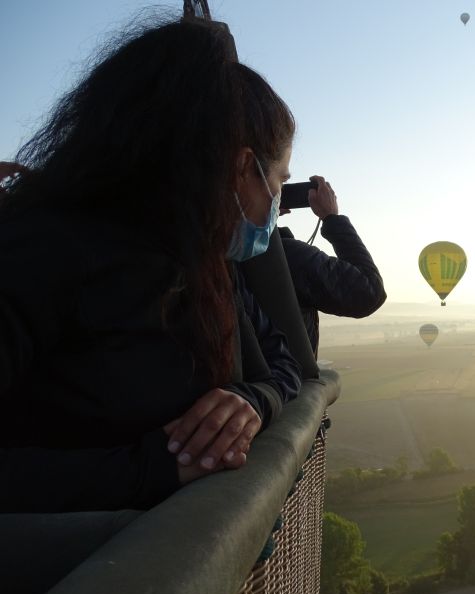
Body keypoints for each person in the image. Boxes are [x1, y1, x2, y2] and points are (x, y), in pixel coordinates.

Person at [0, 17, 303, 513]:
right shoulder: (42, 253)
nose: (274, 203)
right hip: (77, 584)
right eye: (277, 180)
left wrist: (253, 402)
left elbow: (282, 360)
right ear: (241, 168)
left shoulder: (206, 266)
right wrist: (151, 469)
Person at [278, 177, 386, 353]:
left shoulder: (227, 247)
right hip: (287, 377)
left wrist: (263, 215)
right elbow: (369, 293)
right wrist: (332, 218)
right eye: (279, 180)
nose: (280, 192)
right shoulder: (287, 256)